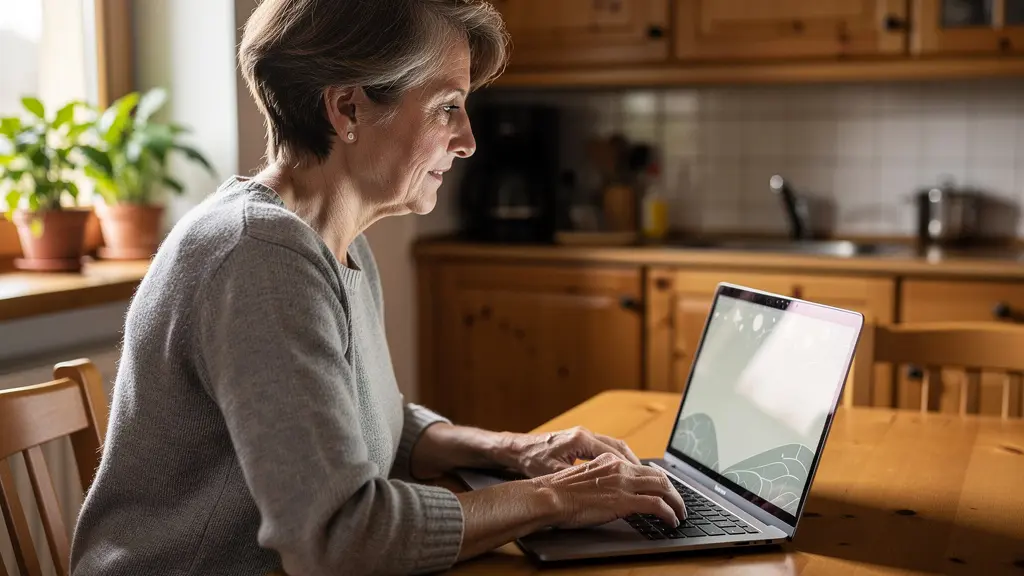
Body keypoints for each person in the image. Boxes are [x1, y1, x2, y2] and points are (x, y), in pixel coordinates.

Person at [69, 1, 686, 574]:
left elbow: (369, 420)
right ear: (349, 109)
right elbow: (341, 535)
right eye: (448, 106)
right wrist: (556, 497)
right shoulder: (259, 257)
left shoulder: (333, 241)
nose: (469, 139)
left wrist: (516, 451)